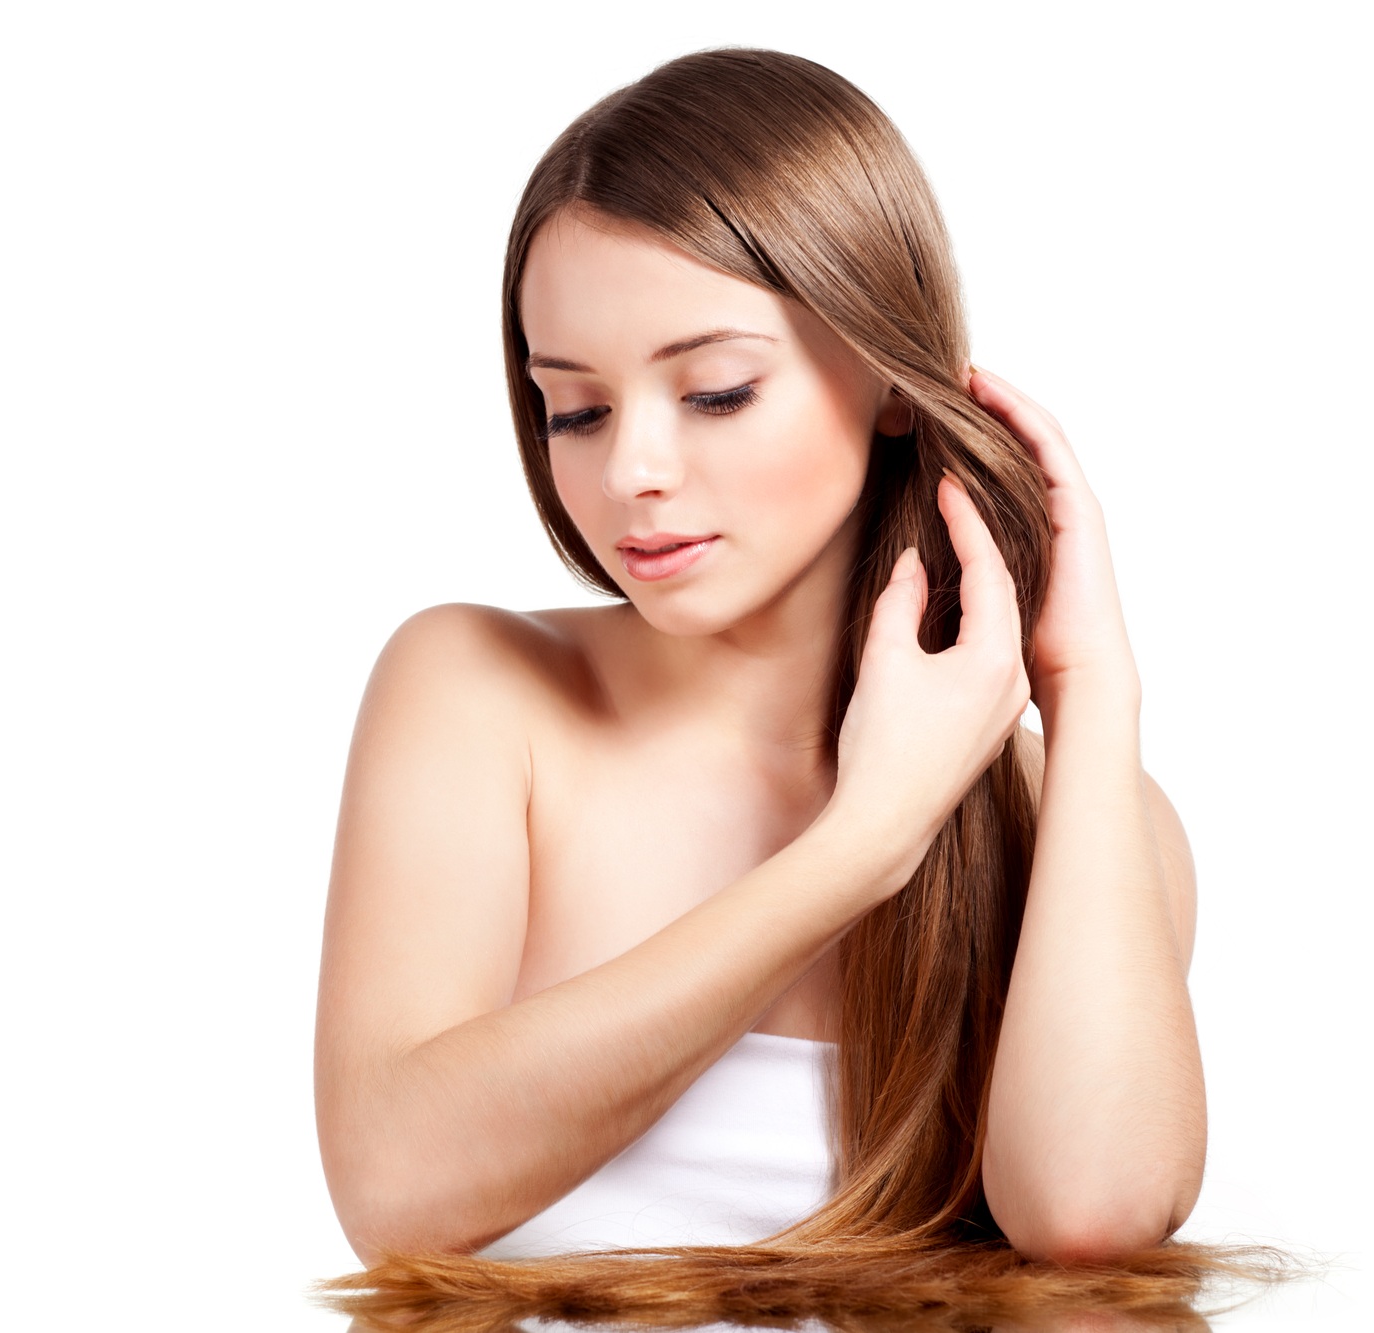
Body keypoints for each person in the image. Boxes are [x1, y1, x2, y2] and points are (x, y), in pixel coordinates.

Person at [312, 46, 1241, 1321]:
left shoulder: (1080, 814)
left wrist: (1089, 695)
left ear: (889, 384)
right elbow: (393, 1184)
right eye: (571, 409)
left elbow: (1089, 1213)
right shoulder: (478, 692)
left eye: (713, 391)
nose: (631, 469)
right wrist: (859, 843)